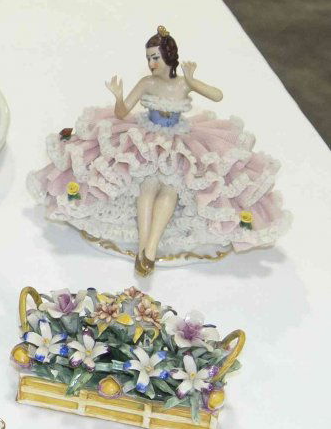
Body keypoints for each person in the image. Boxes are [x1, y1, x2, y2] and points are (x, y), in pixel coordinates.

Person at [28, 26, 289, 274]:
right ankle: (145, 247)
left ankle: (151, 246)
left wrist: (193, 81)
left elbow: (218, 95)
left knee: (170, 190)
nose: (152, 63)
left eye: (155, 57)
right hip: (146, 138)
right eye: (149, 58)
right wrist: (118, 96)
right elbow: (122, 112)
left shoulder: (182, 83)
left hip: (178, 141)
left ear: (168, 56)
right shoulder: (147, 83)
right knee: (148, 186)